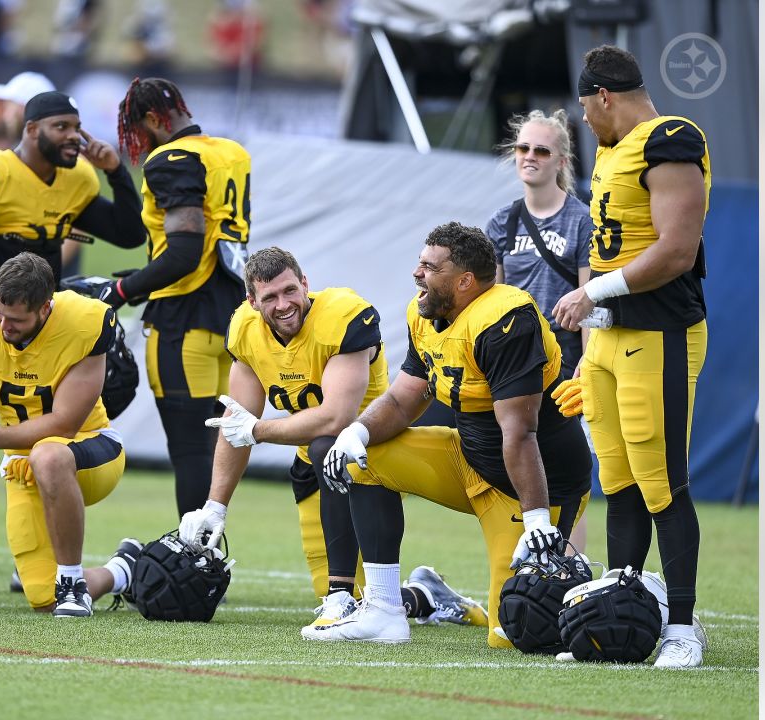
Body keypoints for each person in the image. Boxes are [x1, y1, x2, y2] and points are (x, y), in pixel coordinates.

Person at [309, 222, 591, 647]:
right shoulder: (426, 316)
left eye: (429, 267)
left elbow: (519, 432)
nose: (417, 274)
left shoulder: (505, 319)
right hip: (469, 460)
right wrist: (359, 430)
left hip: (532, 486)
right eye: (420, 263)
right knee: (357, 457)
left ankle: (598, 589)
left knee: (512, 633)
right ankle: (385, 609)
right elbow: (405, 400)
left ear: (464, 281)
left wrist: (536, 519)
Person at [179, 247, 487, 635]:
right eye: (270, 297)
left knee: (330, 449)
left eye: (290, 290)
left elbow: (336, 418)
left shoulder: (340, 316)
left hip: (371, 451)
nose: (284, 304)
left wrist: (258, 431)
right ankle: (424, 595)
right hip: (314, 462)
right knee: (344, 592)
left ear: (305, 284)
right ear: (252, 302)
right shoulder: (245, 330)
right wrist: (215, 507)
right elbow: (237, 421)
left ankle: (343, 596)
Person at [0, 89, 145, 593]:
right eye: (61, 126)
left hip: (41, 333)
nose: (74, 136)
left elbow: (131, 233)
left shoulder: (77, 179)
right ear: (30, 129)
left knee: (42, 438)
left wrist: (115, 172)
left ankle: (49, 562)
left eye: (77, 126)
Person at [551, 44, 712, 668]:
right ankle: (613, 617)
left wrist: (596, 290)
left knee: (662, 483)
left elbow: (675, 251)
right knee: (616, 481)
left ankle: (682, 629)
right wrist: (593, 315)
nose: (584, 122)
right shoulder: (613, 149)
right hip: (612, 335)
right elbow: (612, 246)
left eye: (586, 111)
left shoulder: (671, 137)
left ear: (604, 98)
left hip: (660, 332)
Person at [0, 253, 141, 617]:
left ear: (46, 309)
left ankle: (70, 581)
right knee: (43, 600)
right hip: (21, 466)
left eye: (16, 320)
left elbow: (63, 423)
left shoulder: (84, 322)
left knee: (47, 454)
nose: (3, 328)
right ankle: (123, 569)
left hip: (89, 452)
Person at [106, 76, 251, 518]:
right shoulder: (232, 151)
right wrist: (145, 271)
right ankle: (208, 560)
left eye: (139, 132)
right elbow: (208, 245)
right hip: (233, 318)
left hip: (183, 320)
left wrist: (121, 290)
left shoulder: (171, 158)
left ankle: (193, 564)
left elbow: (186, 253)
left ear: (154, 119)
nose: (140, 145)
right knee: (219, 449)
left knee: (190, 451)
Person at [485, 108, 594, 551]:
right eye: (523, 148)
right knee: (519, 459)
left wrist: (587, 364)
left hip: (566, 357)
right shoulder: (502, 222)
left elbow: (590, 301)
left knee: (568, 471)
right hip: (517, 363)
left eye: (541, 150)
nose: (530, 156)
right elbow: (491, 301)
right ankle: (527, 567)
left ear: (561, 161)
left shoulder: (581, 220)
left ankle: (569, 564)